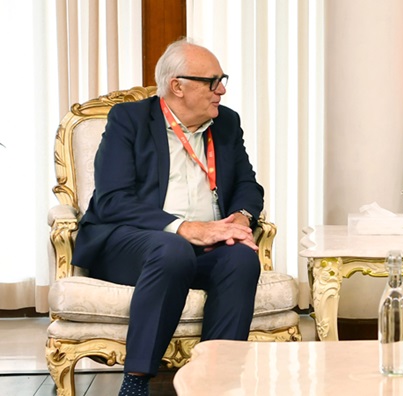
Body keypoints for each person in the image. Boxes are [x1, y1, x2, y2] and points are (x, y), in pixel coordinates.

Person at [72, 38, 264, 396]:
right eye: (212, 81)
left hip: (206, 245)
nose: (221, 90)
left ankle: (215, 382)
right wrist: (186, 228)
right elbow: (113, 199)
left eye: (223, 80)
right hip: (132, 242)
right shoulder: (130, 120)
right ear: (178, 86)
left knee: (240, 258)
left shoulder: (226, 124)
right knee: (171, 248)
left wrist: (240, 218)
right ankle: (136, 381)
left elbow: (248, 185)